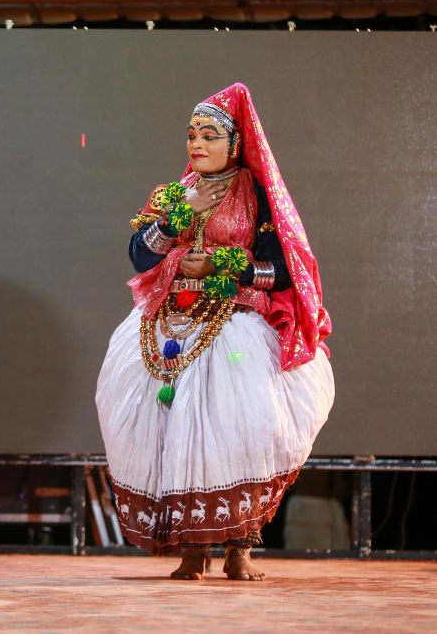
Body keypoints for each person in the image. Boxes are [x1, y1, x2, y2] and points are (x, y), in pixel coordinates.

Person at [95, 83, 334, 581]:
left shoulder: (257, 196)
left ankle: (239, 548)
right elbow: (140, 256)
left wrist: (226, 266)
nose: (196, 144)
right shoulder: (171, 193)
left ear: (235, 143)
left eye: (208, 135)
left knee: (240, 431)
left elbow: (282, 271)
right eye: (191, 135)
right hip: (168, 326)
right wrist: (182, 217)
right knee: (170, 432)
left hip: (235, 332)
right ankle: (190, 551)